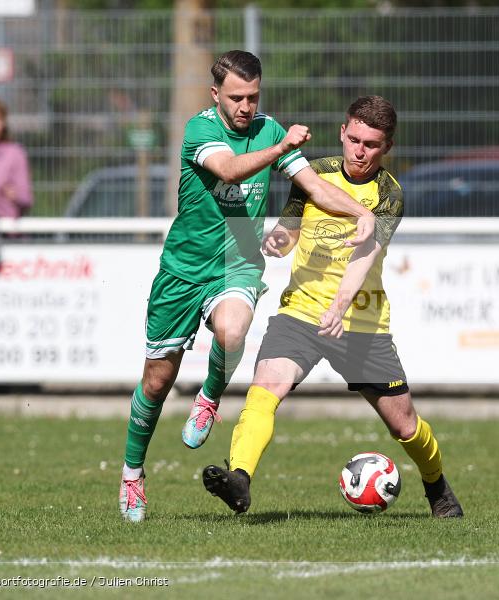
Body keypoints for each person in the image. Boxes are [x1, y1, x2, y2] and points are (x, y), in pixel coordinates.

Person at [118, 50, 376, 523]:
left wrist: (362, 212)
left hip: (237, 263)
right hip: (183, 269)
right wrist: (281, 148)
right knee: (156, 381)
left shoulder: (268, 130)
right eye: (236, 97)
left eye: (253, 97)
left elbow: (316, 188)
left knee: (233, 330)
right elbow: (230, 170)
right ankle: (133, 473)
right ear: (215, 94)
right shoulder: (200, 131)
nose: (245, 107)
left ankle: (209, 397)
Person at [201, 96, 463, 519]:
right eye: (354, 139)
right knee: (264, 389)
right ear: (342, 132)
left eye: (371, 145)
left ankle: (438, 488)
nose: (360, 151)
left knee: (405, 426)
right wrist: (277, 241)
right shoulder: (314, 173)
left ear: (387, 147)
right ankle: (239, 478)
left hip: (361, 322)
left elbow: (365, 256)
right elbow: (290, 228)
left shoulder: (389, 194)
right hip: (300, 313)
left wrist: (339, 307)